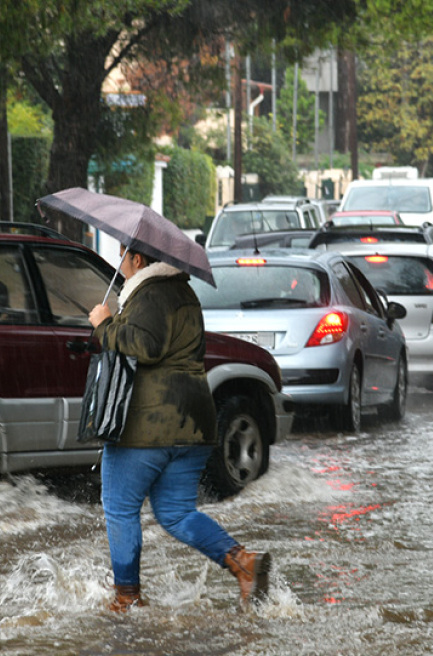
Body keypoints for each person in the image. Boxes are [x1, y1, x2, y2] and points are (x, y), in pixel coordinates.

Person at [87, 246, 271, 612]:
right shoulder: (184, 293)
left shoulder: (149, 293)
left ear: (138, 260)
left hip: (148, 422)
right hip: (193, 419)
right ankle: (243, 563)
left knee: (121, 508)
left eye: (123, 256)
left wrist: (104, 325)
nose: (120, 265)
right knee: (175, 513)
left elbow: (146, 346)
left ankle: (126, 598)